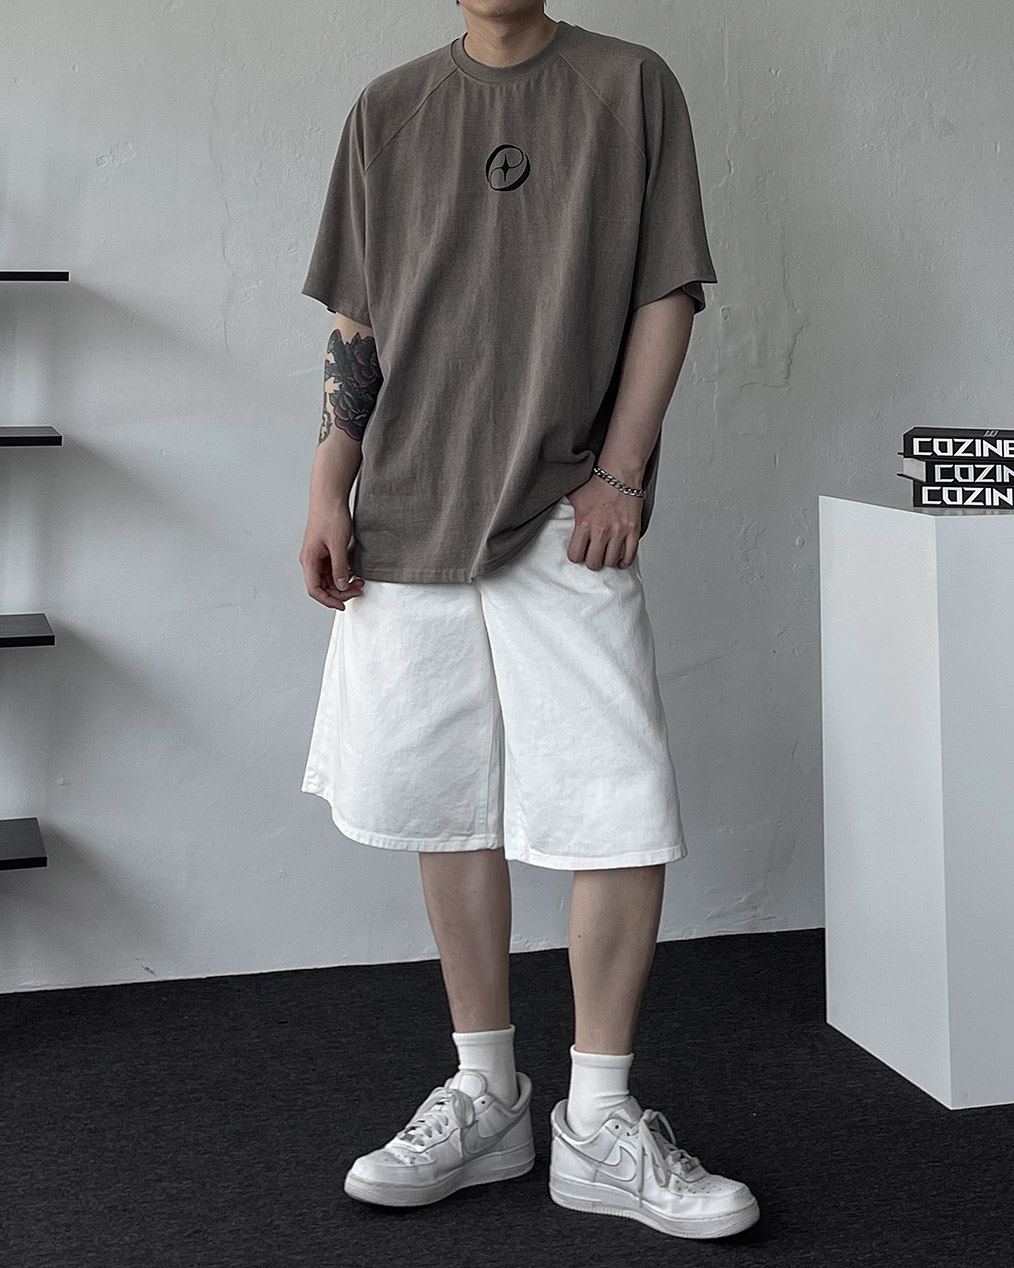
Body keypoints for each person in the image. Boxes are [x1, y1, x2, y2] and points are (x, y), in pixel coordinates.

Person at [297, 0, 759, 1241]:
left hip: (565, 508)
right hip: (408, 512)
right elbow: (357, 323)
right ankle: (486, 1091)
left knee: (618, 802)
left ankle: (598, 1119)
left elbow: (668, 286)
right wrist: (329, 482)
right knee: (447, 800)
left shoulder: (630, 85)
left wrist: (621, 470)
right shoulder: (389, 110)